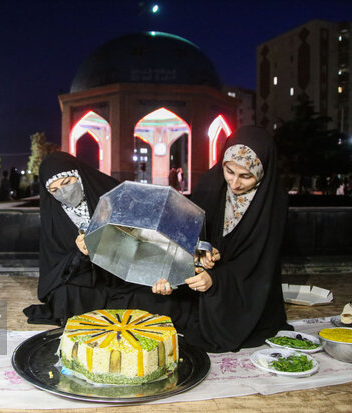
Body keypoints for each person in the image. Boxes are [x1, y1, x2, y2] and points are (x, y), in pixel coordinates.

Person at [152, 126, 291, 352]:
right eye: (229, 171)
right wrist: (201, 251)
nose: (234, 184)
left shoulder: (273, 201)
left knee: (222, 327)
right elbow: (188, 233)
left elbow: (258, 263)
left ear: (262, 172)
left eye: (246, 176)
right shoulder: (211, 183)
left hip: (245, 288)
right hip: (202, 275)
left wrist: (216, 279)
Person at [23, 152, 138, 326]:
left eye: (67, 183)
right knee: (66, 295)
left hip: (122, 274)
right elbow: (57, 265)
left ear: (78, 174)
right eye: (54, 190)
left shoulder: (111, 195)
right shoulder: (55, 217)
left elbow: (137, 238)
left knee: (155, 296)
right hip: (87, 279)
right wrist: (79, 253)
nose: (64, 193)